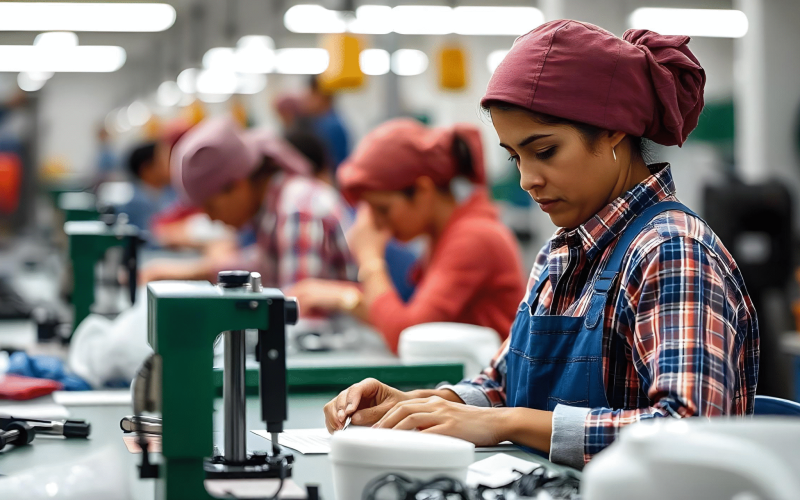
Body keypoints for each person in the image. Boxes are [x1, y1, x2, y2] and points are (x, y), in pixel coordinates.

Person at [321, 20, 759, 470]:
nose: (527, 180)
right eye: (515, 156)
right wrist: (425, 403)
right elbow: (503, 381)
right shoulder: (562, 252)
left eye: (545, 151)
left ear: (613, 129)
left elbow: (690, 428)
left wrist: (508, 423)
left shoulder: (671, 253)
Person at [289, 118, 526, 353]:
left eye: (383, 209)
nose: (377, 224)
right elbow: (398, 319)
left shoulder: (474, 237)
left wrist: (370, 259)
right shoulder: (447, 235)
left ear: (423, 190)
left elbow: (405, 336)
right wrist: (344, 297)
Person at [140, 117, 353, 288]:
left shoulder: (298, 212)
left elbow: (302, 318)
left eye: (211, 206)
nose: (211, 218)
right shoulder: (275, 206)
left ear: (237, 186)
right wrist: (186, 273)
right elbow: (263, 264)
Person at [117, 142, 177, 233]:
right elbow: (150, 238)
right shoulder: (135, 204)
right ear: (146, 169)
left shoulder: (169, 193)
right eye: (165, 161)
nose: (172, 165)